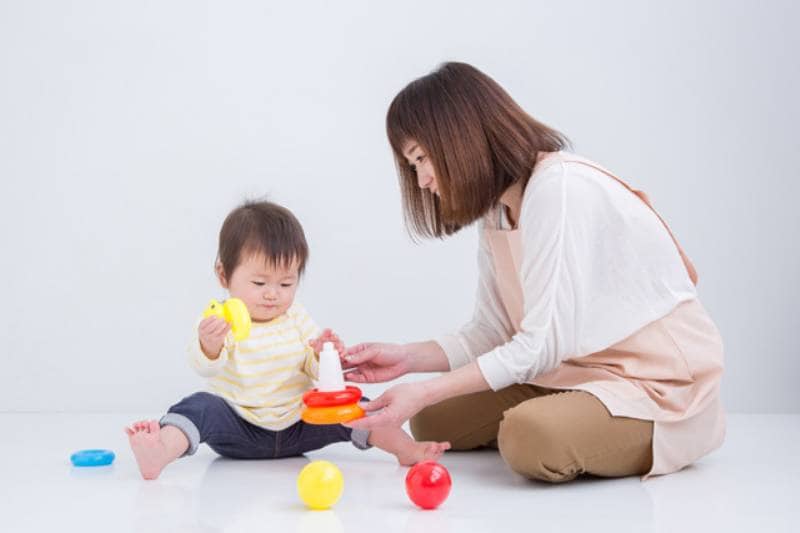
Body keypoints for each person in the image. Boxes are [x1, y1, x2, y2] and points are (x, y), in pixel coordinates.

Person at [343, 62, 724, 482]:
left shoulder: (558, 188)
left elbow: (540, 344)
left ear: (458, 138)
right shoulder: (499, 210)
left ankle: (676, 432)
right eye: (412, 166)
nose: (422, 180)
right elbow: (491, 331)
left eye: (421, 159)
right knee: (432, 419)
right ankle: (570, 411)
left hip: (654, 383)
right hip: (571, 371)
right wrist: (406, 359)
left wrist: (425, 388)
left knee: (527, 438)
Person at [126, 200, 449, 480]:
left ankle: (405, 449)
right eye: (259, 282)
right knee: (200, 406)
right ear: (224, 275)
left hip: (300, 424)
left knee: (351, 405)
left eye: (286, 283)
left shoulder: (296, 317)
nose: (272, 294)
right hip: (240, 429)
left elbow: (313, 371)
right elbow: (206, 366)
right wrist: (209, 346)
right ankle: (160, 451)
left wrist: (325, 356)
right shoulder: (220, 320)